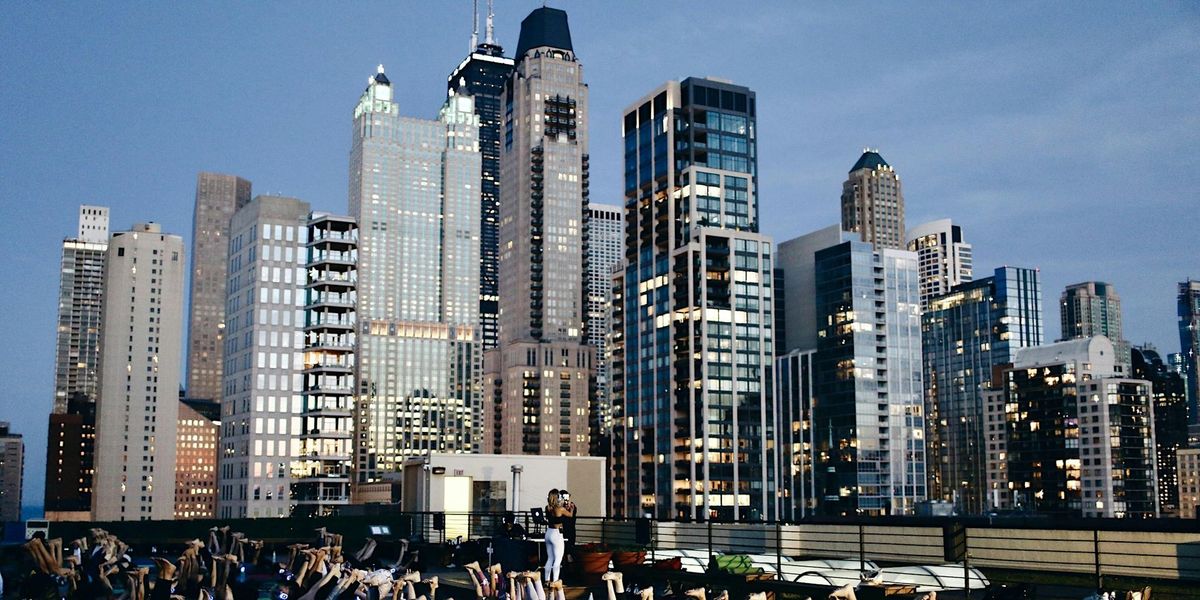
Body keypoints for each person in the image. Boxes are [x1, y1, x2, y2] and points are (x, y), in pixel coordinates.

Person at [542, 489, 571, 583]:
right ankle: (555, 581)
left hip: (548, 532)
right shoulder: (560, 509)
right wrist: (570, 507)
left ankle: (546, 580)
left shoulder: (547, 508)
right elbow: (570, 515)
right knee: (558, 559)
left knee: (550, 558)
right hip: (556, 534)